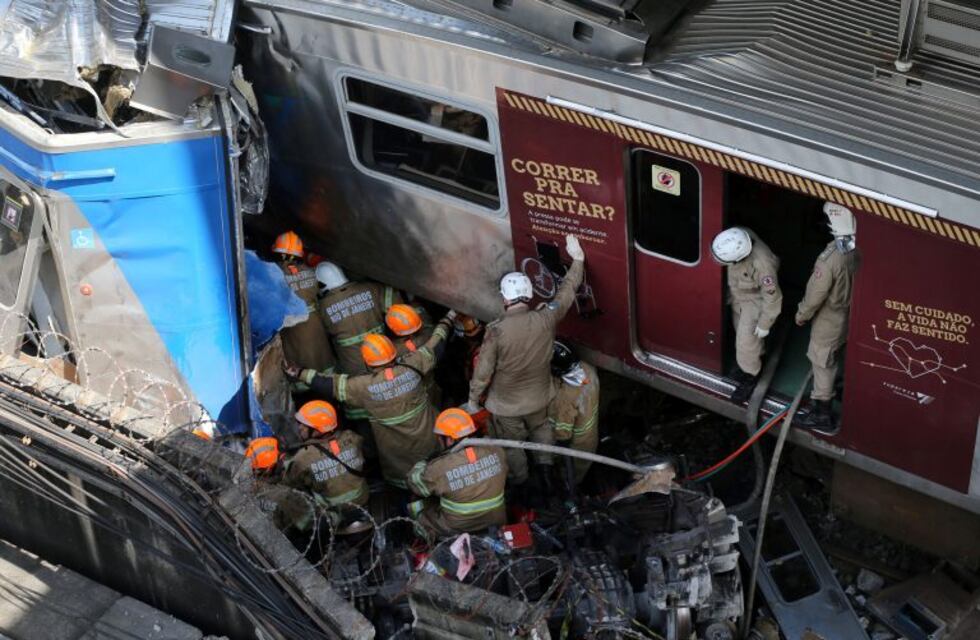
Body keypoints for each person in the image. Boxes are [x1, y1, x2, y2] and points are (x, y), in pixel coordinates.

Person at [465, 233, 586, 485]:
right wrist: (578, 260)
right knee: (542, 430)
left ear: (505, 298)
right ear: (529, 294)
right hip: (539, 398)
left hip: (507, 407)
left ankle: (522, 483)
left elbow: (483, 373)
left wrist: (473, 401)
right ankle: (547, 477)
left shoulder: (496, 332)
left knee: (512, 445)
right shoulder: (546, 318)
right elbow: (566, 292)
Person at [287, 311, 456, 489]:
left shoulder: (364, 387)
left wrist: (299, 373)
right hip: (429, 442)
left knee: (403, 483)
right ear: (393, 353)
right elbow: (436, 343)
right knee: (432, 476)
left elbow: (331, 385)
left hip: (397, 457)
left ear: (367, 362)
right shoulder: (412, 366)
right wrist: (448, 318)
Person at [794, 202, 860, 436]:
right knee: (838, 351)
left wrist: (802, 314)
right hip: (851, 313)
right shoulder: (858, 248)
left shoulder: (829, 259)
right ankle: (839, 386)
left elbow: (815, 294)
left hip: (830, 318)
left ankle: (822, 413)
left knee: (821, 360)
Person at [407, 408, 508, 537]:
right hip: (496, 520)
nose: (439, 441)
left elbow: (415, 484)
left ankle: (424, 536)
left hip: (457, 527)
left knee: (419, 512)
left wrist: (424, 464)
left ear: (449, 439)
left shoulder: (440, 467)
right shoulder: (495, 449)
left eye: (440, 438)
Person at [711, 227, 782, 404]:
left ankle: (751, 376)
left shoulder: (763, 265)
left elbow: (772, 297)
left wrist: (765, 323)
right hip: (738, 295)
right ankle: (756, 357)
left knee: (746, 342)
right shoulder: (737, 236)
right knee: (739, 330)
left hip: (754, 300)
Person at [281, 400, 368, 519]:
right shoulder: (351, 437)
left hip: (335, 510)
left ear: (317, 430)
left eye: (305, 425)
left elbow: (288, 483)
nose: (300, 428)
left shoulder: (303, 457)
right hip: (362, 498)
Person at [315, 261, 403, 376]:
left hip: (353, 367)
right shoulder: (369, 288)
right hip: (383, 356)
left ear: (321, 284)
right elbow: (395, 305)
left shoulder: (321, 307)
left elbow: (321, 337)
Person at [271, 231, 336, 372]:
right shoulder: (311, 271)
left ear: (279, 253)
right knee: (323, 358)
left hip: (292, 329)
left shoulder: (273, 274)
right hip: (317, 326)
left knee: (298, 362)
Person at [547, 340, 600, 485]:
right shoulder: (588, 369)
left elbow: (563, 433)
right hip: (590, 438)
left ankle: (569, 489)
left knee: (570, 476)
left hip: (576, 448)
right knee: (582, 469)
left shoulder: (565, 398)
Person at [245, 436, 315, 534]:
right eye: (280, 460)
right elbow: (312, 523)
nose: (282, 463)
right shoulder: (285, 496)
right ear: (269, 469)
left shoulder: (247, 486)